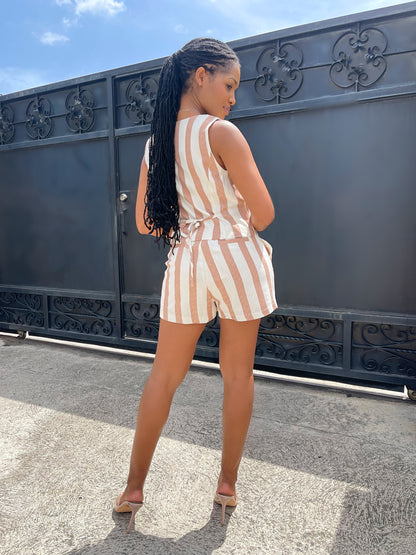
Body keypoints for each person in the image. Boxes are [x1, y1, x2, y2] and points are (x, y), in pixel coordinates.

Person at [114, 37, 277, 532]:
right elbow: (265, 213)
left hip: (185, 258)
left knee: (163, 376)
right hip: (234, 254)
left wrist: (188, 223)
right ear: (200, 76)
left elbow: (145, 223)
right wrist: (234, 216)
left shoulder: (155, 144)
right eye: (229, 85)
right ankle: (226, 485)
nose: (233, 98)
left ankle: (133, 488)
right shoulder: (221, 134)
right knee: (237, 375)